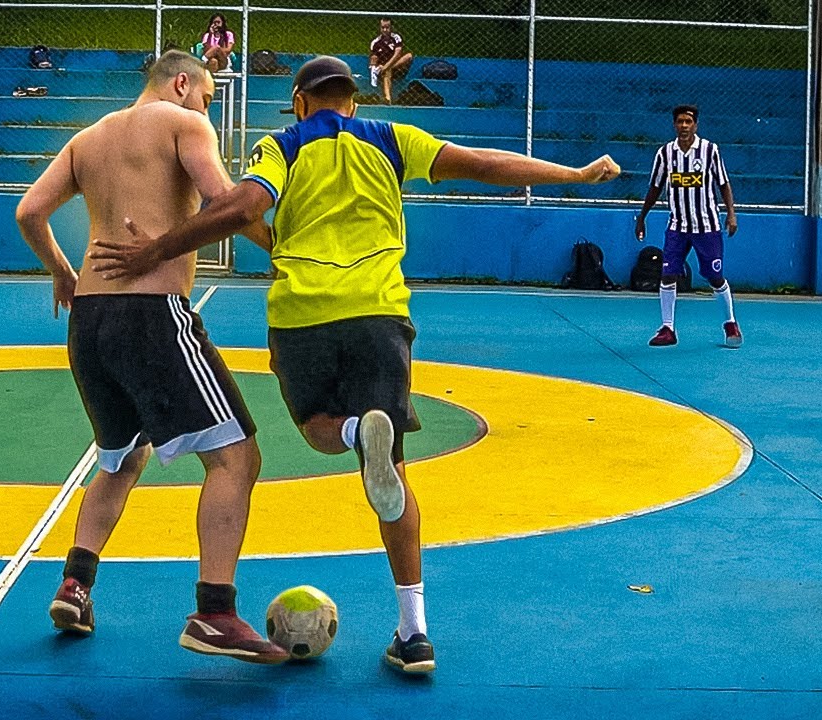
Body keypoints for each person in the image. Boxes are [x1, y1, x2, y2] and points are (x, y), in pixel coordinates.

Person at [88, 56, 620, 675]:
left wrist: (154, 249)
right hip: (379, 316)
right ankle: (413, 633)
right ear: (355, 102)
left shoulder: (280, 147)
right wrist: (573, 171)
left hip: (303, 315)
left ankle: (346, 433)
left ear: (299, 102)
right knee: (393, 474)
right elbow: (486, 163)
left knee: (315, 425)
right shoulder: (394, 139)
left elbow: (237, 209)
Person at [14, 50, 285, 665]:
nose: (208, 108)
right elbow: (222, 200)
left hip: (90, 321)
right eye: (209, 97)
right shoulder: (183, 123)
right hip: (152, 312)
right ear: (182, 83)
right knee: (237, 459)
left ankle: (75, 584)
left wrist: (63, 272)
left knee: (120, 459)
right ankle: (215, 611)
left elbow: (29, 211)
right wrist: (277, 243)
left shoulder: (87, 139)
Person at [635, 104, 742, 348]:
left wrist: (731, 214)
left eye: (688, 122)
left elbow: (723, 184)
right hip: (677, 226)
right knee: (668, 274)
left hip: (707, 226)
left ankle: (730, 322)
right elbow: (655, 187)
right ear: (674, 125)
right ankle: (668, 328)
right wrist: (642, 217)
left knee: (714, 277)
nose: (684, 126)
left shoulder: (709, 151)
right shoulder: (665, 154)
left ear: (696, 125)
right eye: (680, 122)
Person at [369, 18, 413, 104]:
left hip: (398, 67)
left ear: (391, 27)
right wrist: (376, 68)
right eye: (382, 27)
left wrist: (387, 66)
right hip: (384, 71)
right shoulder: (375, 42)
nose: (385, 30)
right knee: (387, 72)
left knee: (409, 56)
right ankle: (388, 99)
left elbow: (398, 53)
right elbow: (373, 59)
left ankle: (388, 68)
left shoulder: (396, 38)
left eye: (387, 27)